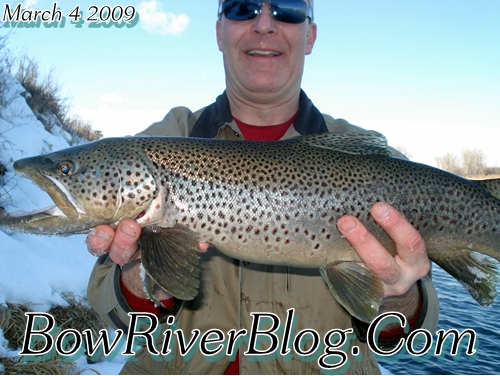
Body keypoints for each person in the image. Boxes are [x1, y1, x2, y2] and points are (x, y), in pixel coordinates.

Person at [86, 0, 439, 373]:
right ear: (220, 31)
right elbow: (112, 318)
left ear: (310, 35)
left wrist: (397, 296)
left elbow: (406, 336)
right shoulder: (158, 147)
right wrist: (147, 279)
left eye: (287, 9)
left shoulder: (381, 169)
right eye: (243, 7)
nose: (265, 23)